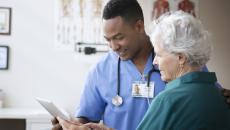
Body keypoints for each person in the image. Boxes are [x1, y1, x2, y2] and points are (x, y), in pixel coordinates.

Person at [52, 0, 230, 130]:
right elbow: (85, 118)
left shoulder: (178, 60)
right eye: (108, 40)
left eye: (119, 37)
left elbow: (205, 98)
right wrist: (71, 126)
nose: (113, 47)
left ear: (139, 26)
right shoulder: (100, 71)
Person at [137, 11, 230, 130]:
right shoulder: (221, 96)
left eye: (159, 55)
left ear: (180, 58)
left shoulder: (167, 100)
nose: (155, 61)